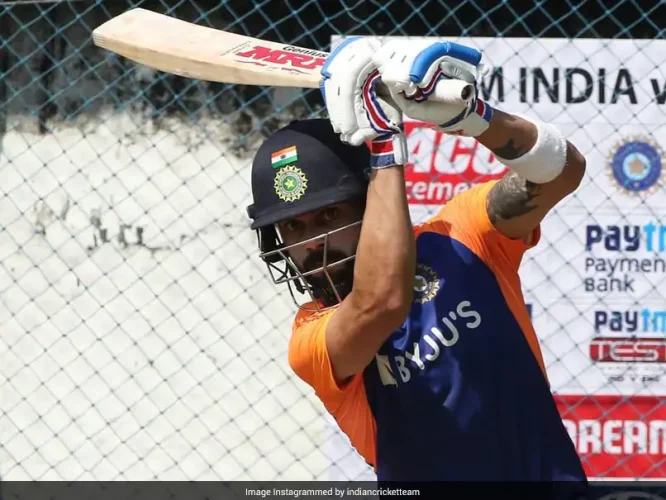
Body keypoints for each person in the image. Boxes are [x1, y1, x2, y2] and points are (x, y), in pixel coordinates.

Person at [246, 38, 588, 483]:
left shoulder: (461, 236)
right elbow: (383, 301)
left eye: (329, 216)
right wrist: (385, 142)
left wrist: (475, 117)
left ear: (368, 201)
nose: (312, 242)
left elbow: (564, 172)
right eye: (293, 227)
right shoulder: (311, 340)